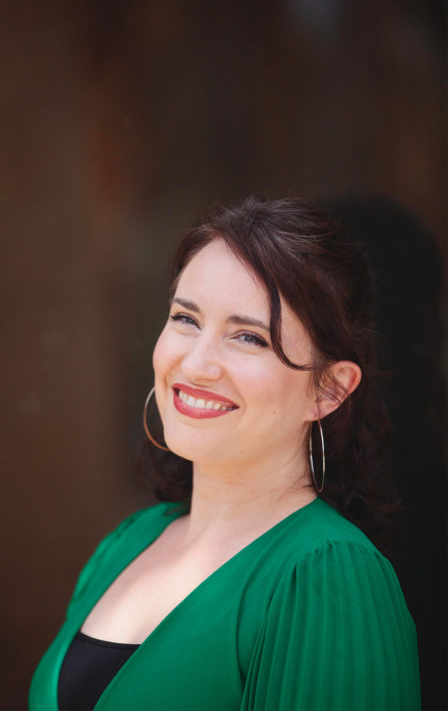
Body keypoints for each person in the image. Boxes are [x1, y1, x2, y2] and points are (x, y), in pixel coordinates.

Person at [30, 197, 420, 710]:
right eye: (186, 319)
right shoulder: (127, 544)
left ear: (329, 389)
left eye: (248, 337)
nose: (195, 365)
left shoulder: (328, 575)